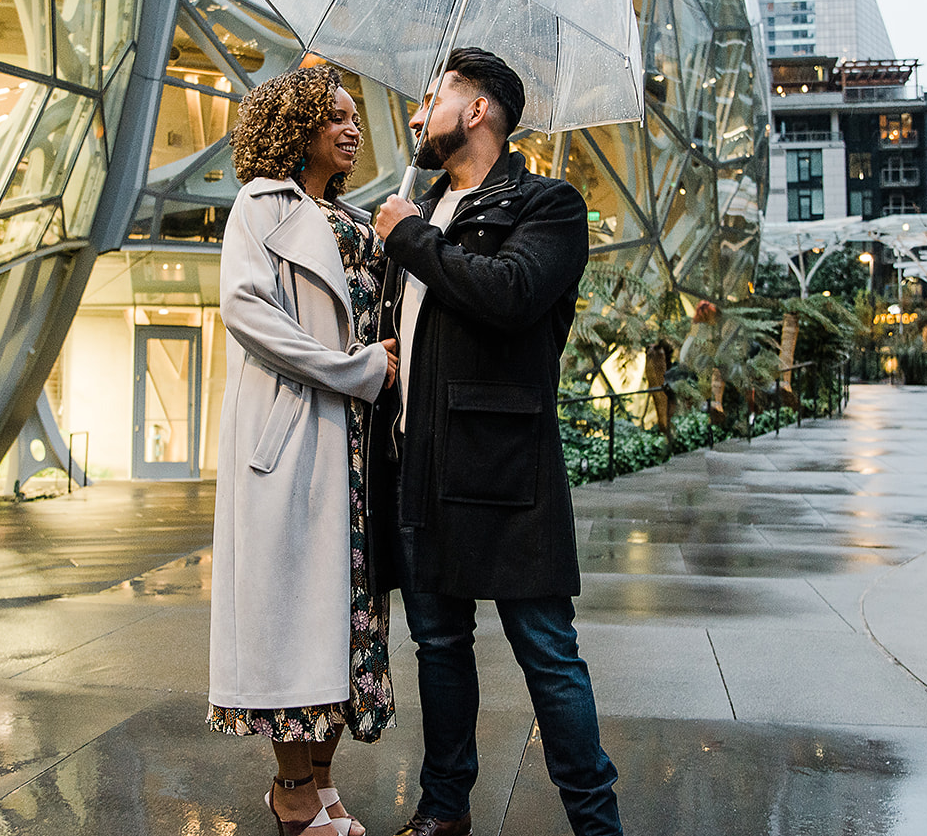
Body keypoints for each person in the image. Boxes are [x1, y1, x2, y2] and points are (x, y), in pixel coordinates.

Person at [371, 48, 622, 836]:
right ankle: (445, 809)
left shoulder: (546, 204)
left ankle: (596, 821)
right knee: (438, 646)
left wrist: (411, 240)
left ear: (477, 110)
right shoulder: (428, 205)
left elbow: (510, 294)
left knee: (546, 650)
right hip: (422, 460)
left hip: (506, 468)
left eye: (433, 96)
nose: (417, 114)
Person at [209, 63, 400, 836]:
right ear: (297, 129)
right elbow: (247, 312)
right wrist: (361, 369)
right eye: (337, 117)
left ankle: (321, 783)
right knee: (292, 619)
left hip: (356, 445)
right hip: (295, 435)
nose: (353, 128)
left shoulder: (354, 217)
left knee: (351, 619)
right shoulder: (261, 207)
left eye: (356, 117)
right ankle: (290, 789)